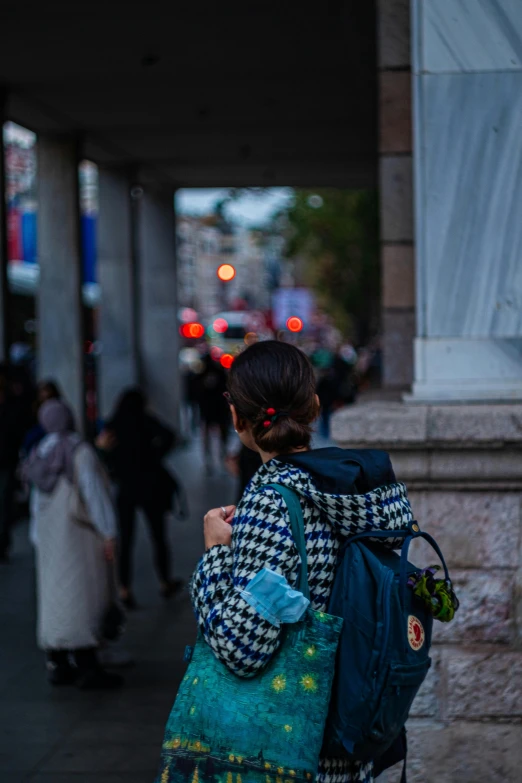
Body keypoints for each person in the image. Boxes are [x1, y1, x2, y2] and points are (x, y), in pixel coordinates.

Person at [190, 341, 413, 783]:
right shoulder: (354, 490)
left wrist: (216, 553)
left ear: (237, 418)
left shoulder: (271, 504)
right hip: (349, 735)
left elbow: (241, 648)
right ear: (313, 406)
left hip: (290, 748)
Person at [21, 399, 122, 689]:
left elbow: (35, 503)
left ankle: (59, 661)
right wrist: (109, 533)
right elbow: (95, 496)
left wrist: (37, 537)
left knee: (54, 597)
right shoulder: (80, 451)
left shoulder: (38, 452)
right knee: (83, 596)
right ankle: (88, 663)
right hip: (79, 536)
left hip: (50, 537)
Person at [97, 388, 181, 608]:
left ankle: (124, 590)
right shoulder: (146, 420)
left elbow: (103, 450)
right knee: (158, 536)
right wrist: (154, 455)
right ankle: (165, 582)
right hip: (150, 485)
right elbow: (170, 436)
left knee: (126, 540)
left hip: (125, 488)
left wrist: (114, 462)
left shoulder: (113, 424)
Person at [195, 350, 230, 474]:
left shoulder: (201, 374)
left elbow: (196, 392)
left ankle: (209, 458)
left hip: (207, 408)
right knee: (222, 431)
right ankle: (222, 453)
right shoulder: (220, 372)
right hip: (219, 407)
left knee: (207, 434)